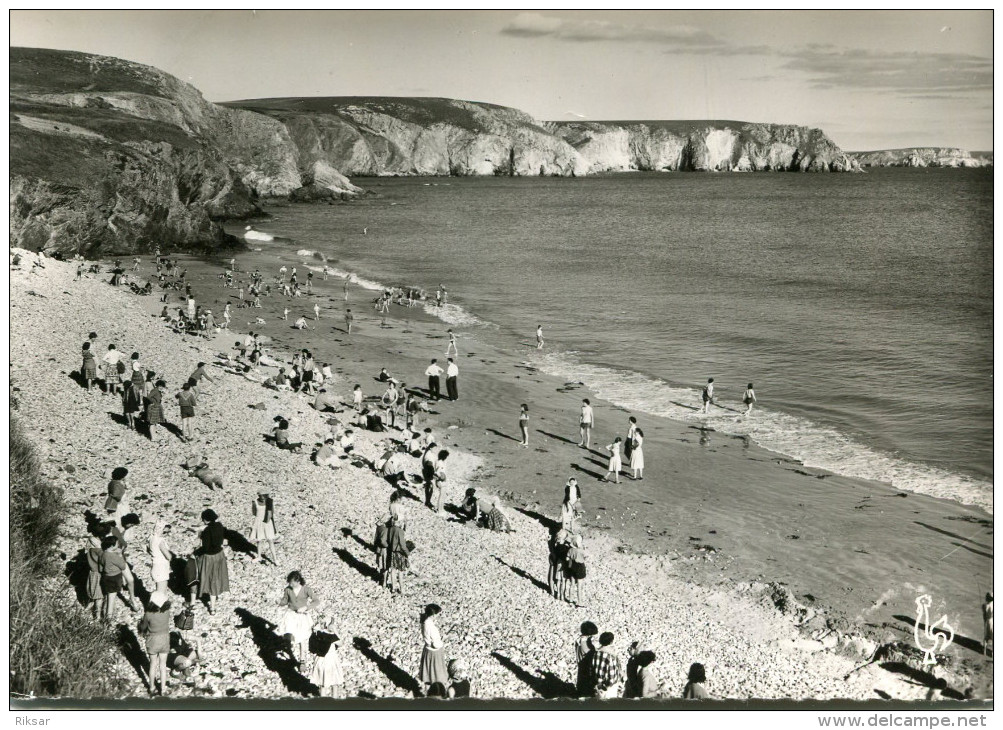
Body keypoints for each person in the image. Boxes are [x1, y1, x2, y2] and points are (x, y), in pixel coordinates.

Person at [277, 570, 318, 667]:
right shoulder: (287, 589)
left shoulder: (306, 589)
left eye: (292, 582)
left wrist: (306, 607)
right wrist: (279, 602)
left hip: (302, 617)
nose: (290, 584)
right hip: (291, 614)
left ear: (298, 581)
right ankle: (287, 649)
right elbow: (285, 601)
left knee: (302, 638)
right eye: (289, 582)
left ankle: (302, 660)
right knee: (287, 633)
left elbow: (316, 601)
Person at [139, 592, 173, 696]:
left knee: (153, 664)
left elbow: (143, 627)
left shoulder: (148, 615)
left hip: (152, 641)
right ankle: (163, 689)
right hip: (164, 639)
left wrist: (140, 624)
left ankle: (152, 687)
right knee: (163, 665)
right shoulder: (167, 612)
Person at [196, 509, 229, 614]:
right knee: (216, 578)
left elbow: (205, 548)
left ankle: (212, 607)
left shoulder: (207, 530)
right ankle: (213, 604)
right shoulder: (219, 526)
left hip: (209, 558)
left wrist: (200, 537)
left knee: (210, 579)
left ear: (205, 520)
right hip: (220, 555)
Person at [99, 535, 135, 622]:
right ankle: (109, 619)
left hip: (106, 577)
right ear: (112, 546)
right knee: (112, 598)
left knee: (109, 597)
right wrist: (120, 554)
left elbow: (100, 568)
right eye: (117, 544)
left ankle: (108, 617)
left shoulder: (102, 554)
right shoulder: (113, 556)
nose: (118, 545)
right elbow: (122, 566)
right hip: (115, 578)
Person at [311, 616, 346, 698]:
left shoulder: (316, 633)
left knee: (322, 684)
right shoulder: (331, 635)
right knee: (334, 684)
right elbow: (341, 643)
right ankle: (334, 704)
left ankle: (323, 704)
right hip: (330, 661)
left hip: (319, 660)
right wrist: (335, 630)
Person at [419, 604, 448, 693]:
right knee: (436, 674)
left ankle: (428, 690)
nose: (439, 616)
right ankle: (437, 692)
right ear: (434, 615)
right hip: (434, 652)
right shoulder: (432, 627)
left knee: (429, 673)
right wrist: (443, 640)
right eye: (438, 614)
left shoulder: (424, 622)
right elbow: (436, 644)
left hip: (427, 650)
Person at [85, 525, 109, 618]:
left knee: (96, 594)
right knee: (99, 597)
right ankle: (97, 616)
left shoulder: (90, 547)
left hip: (92, 573)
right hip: (99, 574)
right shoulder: (99, 551)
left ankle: (94, 610)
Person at [591, 632, 624, 698]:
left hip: (597, 684)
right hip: (608, 687)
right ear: (611, 642)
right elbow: (612, 674)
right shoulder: (611, 656)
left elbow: (592, 668)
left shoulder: (595, 653)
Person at [251, 491, 279, 565]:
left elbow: (272, 512)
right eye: (261, 496)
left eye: (264, 496)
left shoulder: (269, 502)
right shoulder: (255, 502)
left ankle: (275, 559)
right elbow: (254, 512)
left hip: (267, 523)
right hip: (258, 523)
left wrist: (267, 518)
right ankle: (259, 556)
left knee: (270, 540)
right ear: (259, 495)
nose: (263, 497)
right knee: (259, 540)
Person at [386, 515, 409, 595]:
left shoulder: (390, 529)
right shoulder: (400, 531)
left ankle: (393, 588)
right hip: (399, 552)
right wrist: (407, 553)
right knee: (400, 571)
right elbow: (403, 545)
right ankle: (402, 589)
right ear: (399, 522)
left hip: (392, 552)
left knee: (393, 570)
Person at [149, 520, 174, 593]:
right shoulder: (160, 541)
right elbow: (168, 557)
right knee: (161, 592)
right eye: (164, 532)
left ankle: (153, 603)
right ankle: (154, 604)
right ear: (159, 530)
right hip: (161, 567)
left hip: (155, 565)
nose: (166, 534)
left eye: (168, 532)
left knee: (158, 591)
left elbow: (143, 545)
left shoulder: (152, 537)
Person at [575, 622, 599, 697]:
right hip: (586, 667)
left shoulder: (580, 640)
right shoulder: (584, 643)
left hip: (581, 665)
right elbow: (589, 653)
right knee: (586, 688)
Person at [566, 532, 587, 608]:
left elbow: (567, 558)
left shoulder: (570, 550)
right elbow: (585, 557)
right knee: (579, 586)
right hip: (580, 567)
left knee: (572, 585)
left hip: (572, 567)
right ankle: (579, 602)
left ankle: (570, 600)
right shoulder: (581, 551)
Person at [431, 449, 449, 514]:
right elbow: (437, 472)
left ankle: (440, 509)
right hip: (441, 481)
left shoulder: (437, 461)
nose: (446, 458)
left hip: (439, 481)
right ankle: (439, 510)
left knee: (442, 496)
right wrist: (442, 477)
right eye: (446, 456)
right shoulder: (440, 463)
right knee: (442, 496)